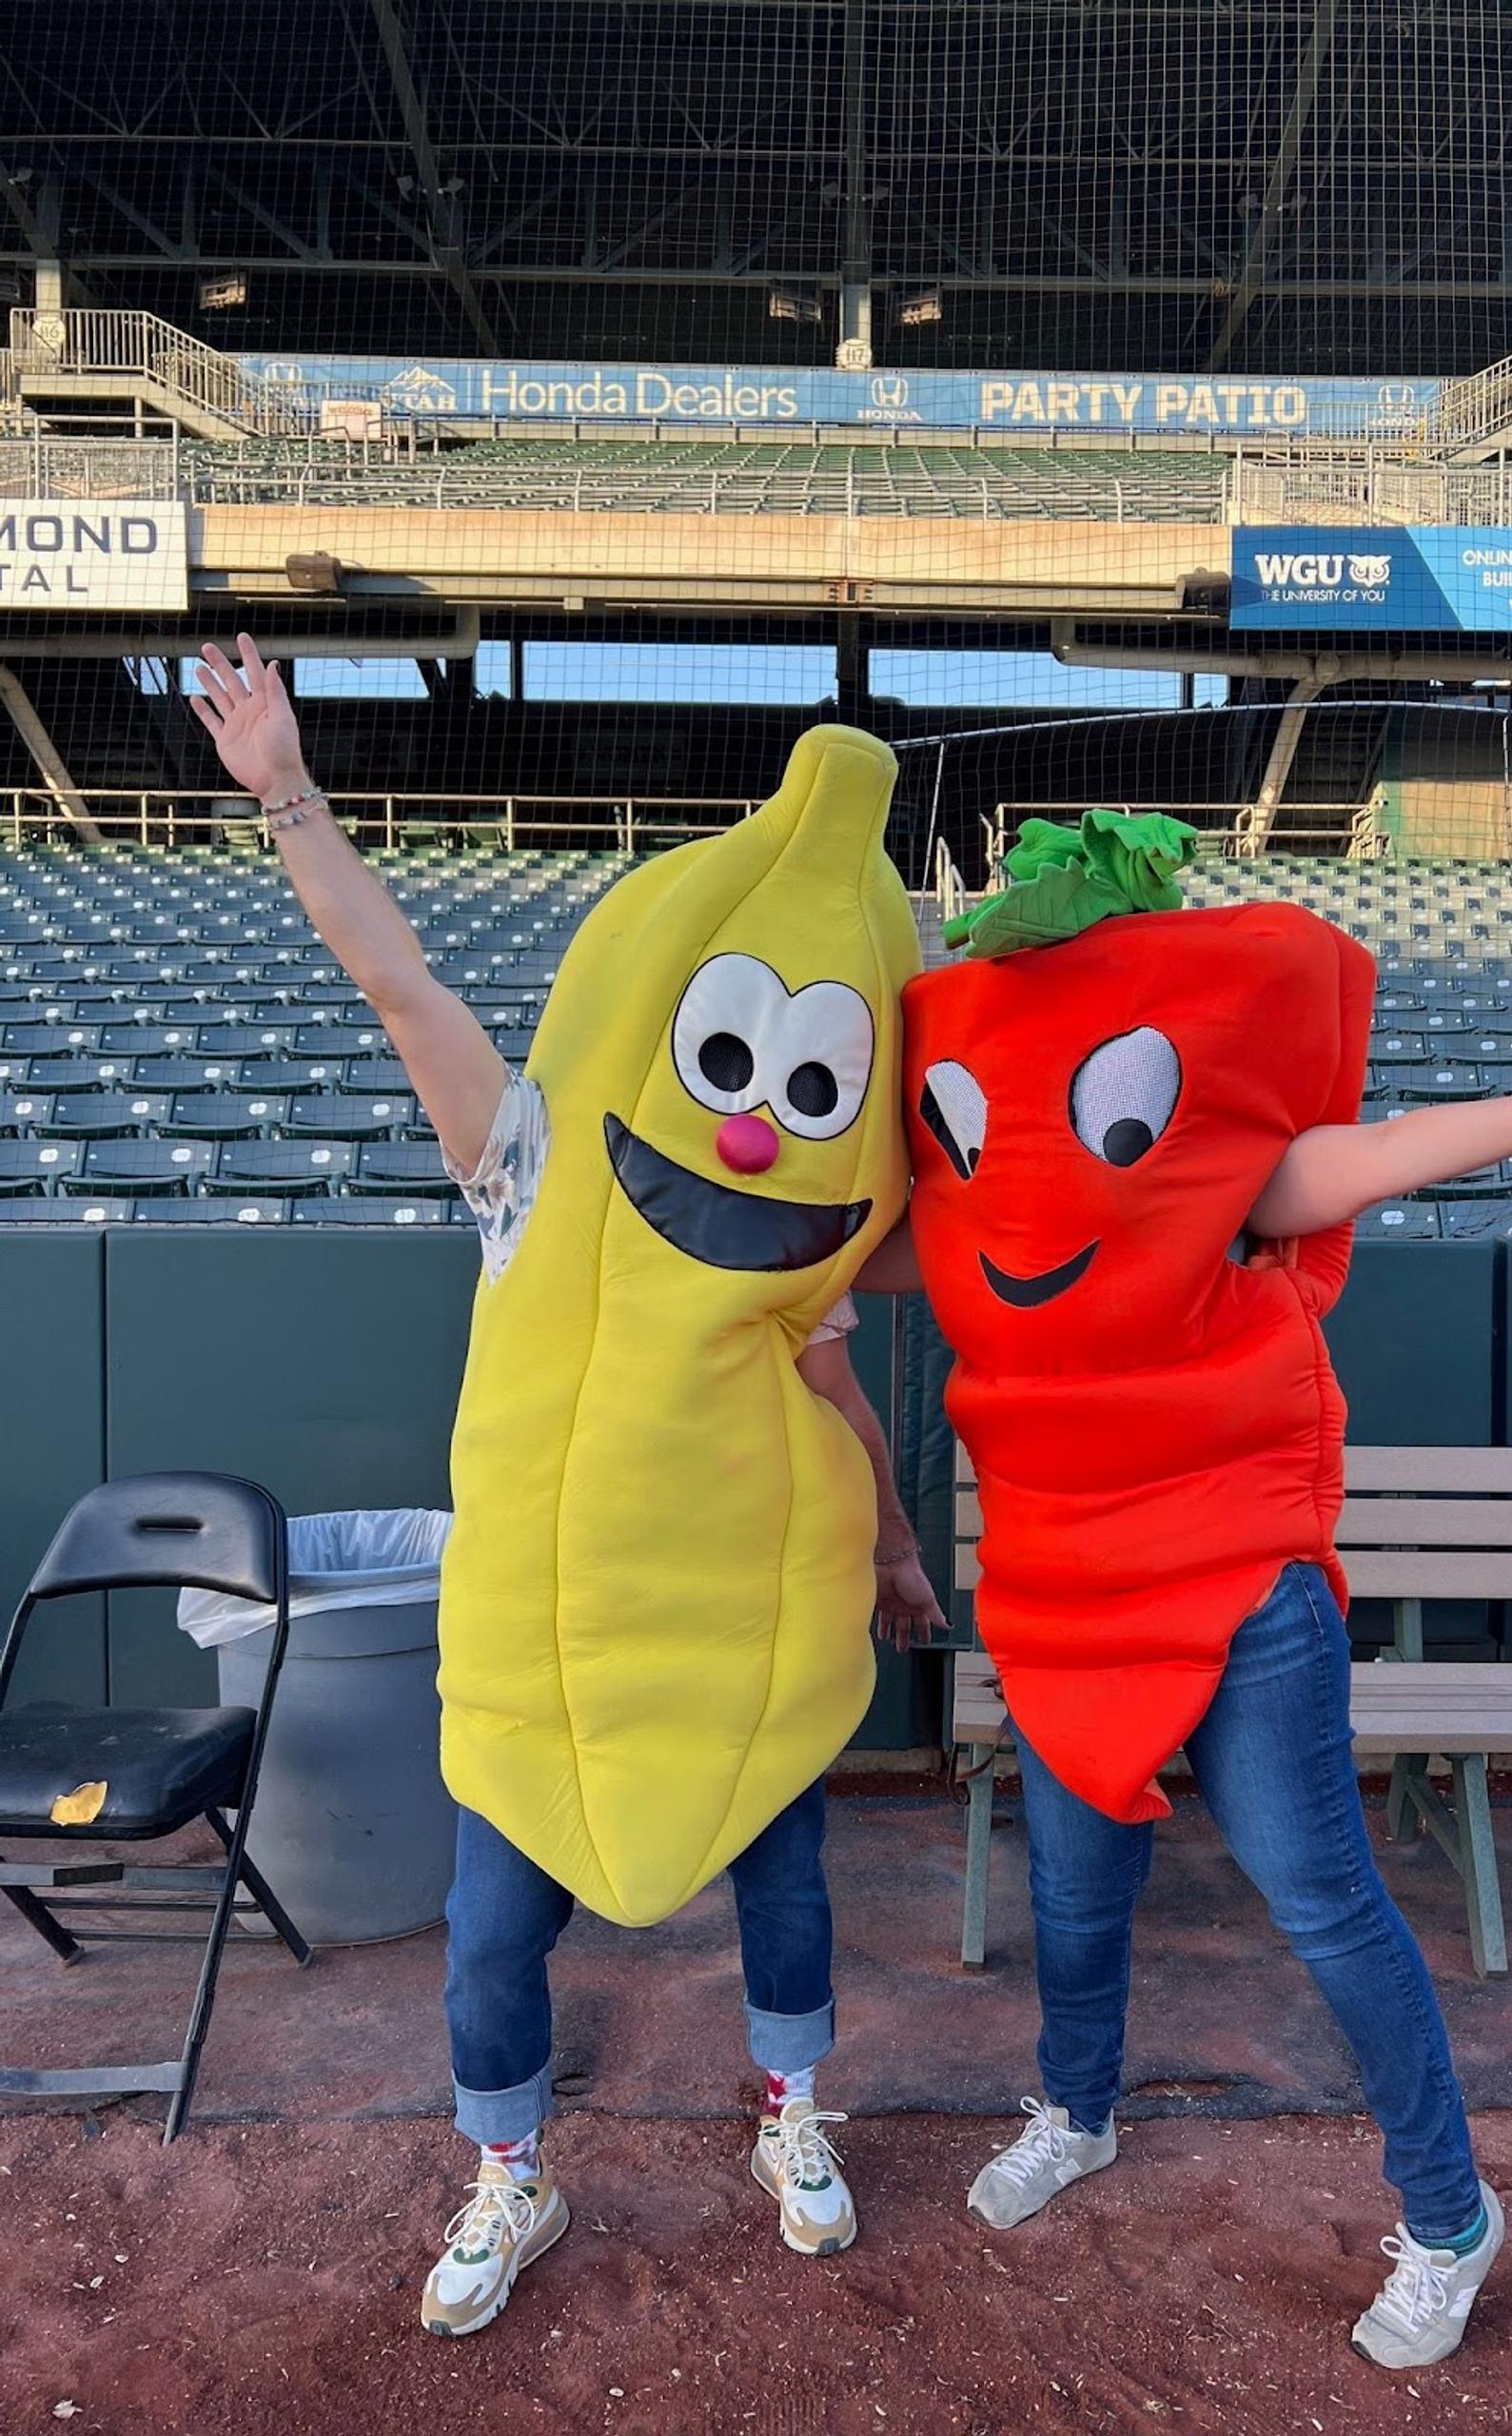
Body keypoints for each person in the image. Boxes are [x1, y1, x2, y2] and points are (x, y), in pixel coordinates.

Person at [862, 809, 1512, 2371]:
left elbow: (1364, 1157)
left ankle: (1450, 2216)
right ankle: (1077, 2110)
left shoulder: (1227, 1176)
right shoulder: (968, 1192)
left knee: (1321, 1901)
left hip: (1233, 1582)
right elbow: (828, 1241)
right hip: (1061, 1587)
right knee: (1072, 1894)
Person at [189, 638, 943, 2338]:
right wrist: (288, 798)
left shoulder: (804, 1256)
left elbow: (854, 1382)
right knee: (487, 1939)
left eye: (804, 1096)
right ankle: (509, 2174)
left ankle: (788, 2118)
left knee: (792, 1896)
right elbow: (400, 988)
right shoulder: (526, 1161)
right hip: (546, 1651)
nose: (754, 1135)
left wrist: (894, 1551)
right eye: (735, 1074)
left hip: (737, 1640)